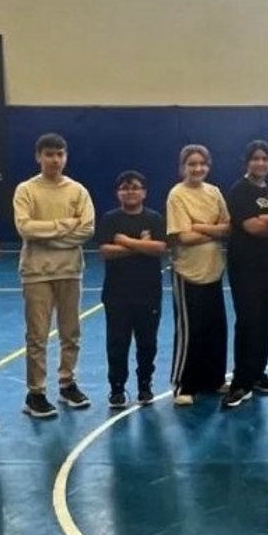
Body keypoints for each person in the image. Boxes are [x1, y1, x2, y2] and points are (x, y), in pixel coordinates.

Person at [14, 133, 95, 417]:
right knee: (37, 336)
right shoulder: (26, 190)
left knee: (71, 332)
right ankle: (35, 393)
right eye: (49, 154)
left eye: (60, 154)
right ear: (39, 157)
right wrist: (66, 226)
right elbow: (26, 228)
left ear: (66, 157)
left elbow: (87, 230)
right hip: (36, 272)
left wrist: (48, 236)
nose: (55, 159)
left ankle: (67, 383)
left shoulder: (78, 191)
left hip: (70, 271)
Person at [96, 170, 166, 409]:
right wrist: (142, 245)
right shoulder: (110, 219)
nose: (130, 192)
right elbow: (105, 251)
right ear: (118, 193)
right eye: (125, 188)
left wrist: (126, 242)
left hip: (149, 293)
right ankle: (117, 388)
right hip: (117, 294)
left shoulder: (154, 218)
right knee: (117, 343)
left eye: (135, 187)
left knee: (147, 343)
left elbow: (159, 248)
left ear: (144, 192)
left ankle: (145, 385)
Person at [168, 144, 231, 406]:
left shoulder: (214, 192)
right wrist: (213, 230)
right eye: (192, 164)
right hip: (188, 273)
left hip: (213, 271)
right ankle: (184, 384)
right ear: (183, 167)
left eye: (202, 164)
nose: (197, 168)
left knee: (216, 329)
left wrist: (200, 226)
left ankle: (214, 379)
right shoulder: (177, 195)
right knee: (190, 331)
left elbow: (227, 227)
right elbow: (184, 237)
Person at [224, 140, 268, 408]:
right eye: (255, 158)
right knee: (249, 321)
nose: (260, 163)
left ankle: (258, 373)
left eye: (265, 159)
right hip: (245, 265)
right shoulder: (239, 190)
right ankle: (240, 382)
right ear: (247, 162)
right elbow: (254, 228)